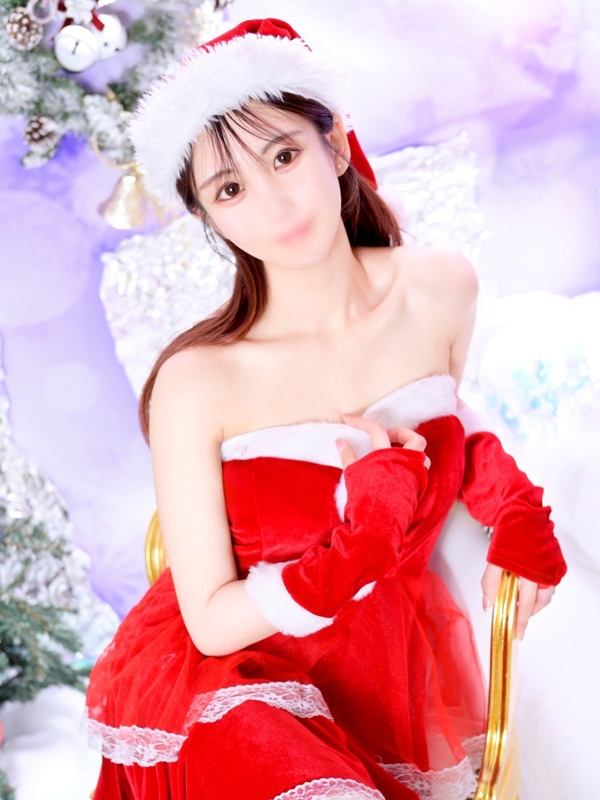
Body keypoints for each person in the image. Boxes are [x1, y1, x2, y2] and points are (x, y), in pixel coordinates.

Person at [85, 18, 567, 800]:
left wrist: (505, 494)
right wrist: (360, 544)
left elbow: (444, 417)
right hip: (234, 692)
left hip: (389, 679)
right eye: (231, 189)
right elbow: (209, 620)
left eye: (284, 155)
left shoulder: (441, 289)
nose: (275, 204)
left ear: (336, 145)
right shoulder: (197, 382)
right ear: (208, 218)